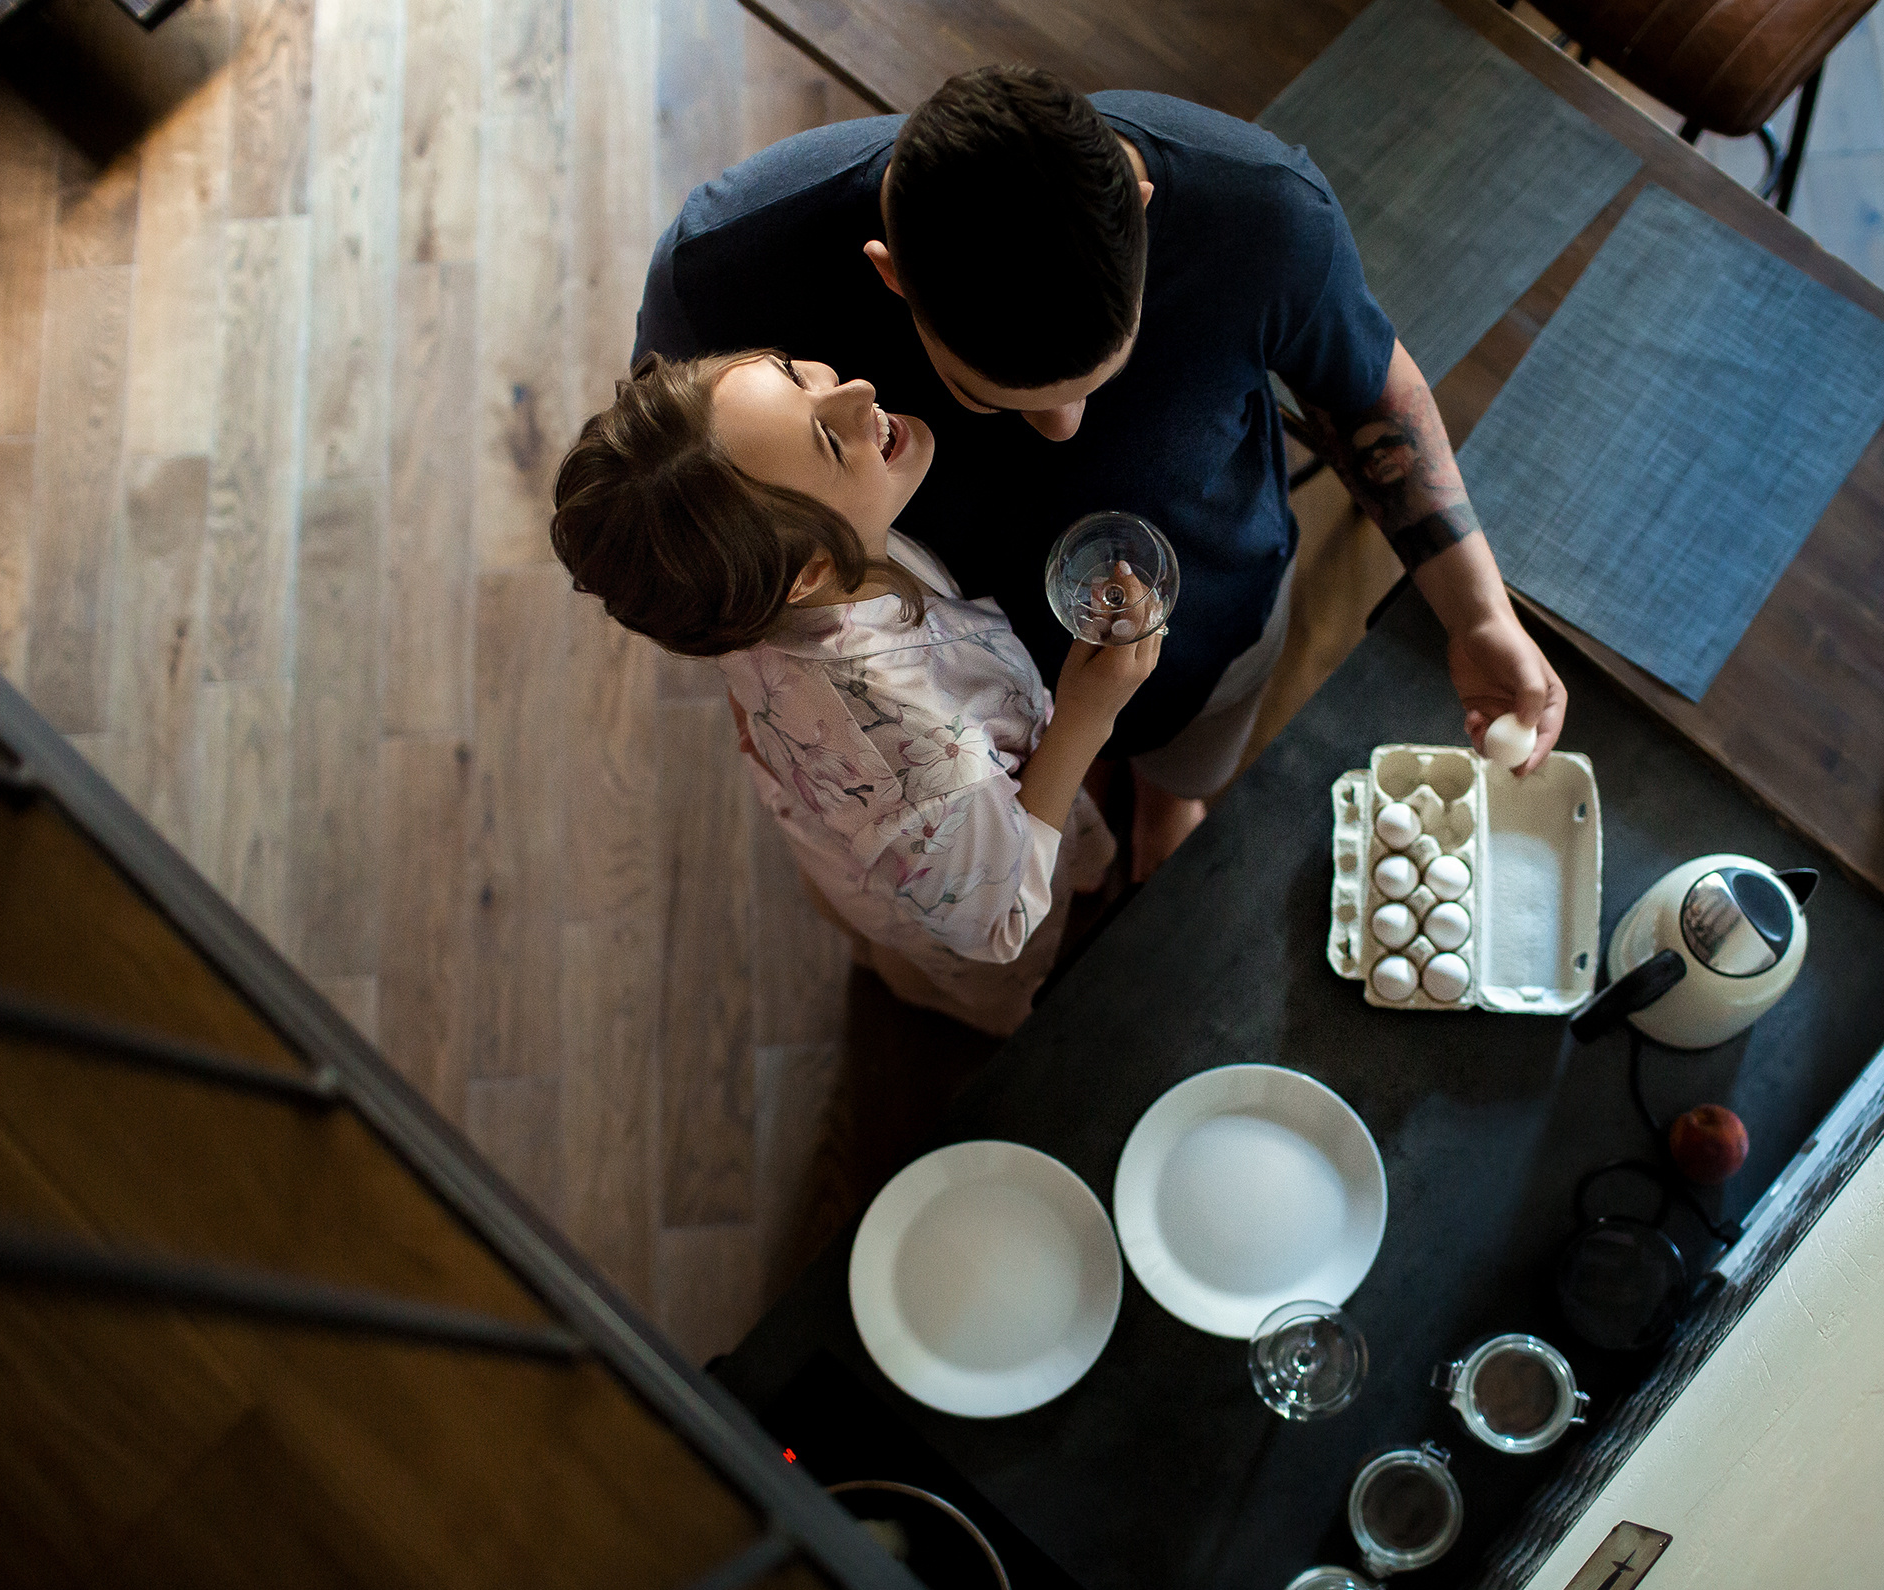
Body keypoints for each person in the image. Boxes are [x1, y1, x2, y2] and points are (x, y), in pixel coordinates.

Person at [634, 66, 1567, 879]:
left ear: (1142, 201)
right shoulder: (722, 272)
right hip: (950, 701)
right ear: (893, 276)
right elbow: (690, 508)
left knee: (1193, 750)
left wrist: (1478, 611)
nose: (1063, 429)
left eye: (1097, 380)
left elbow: (1364, 396)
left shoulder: (1264, 212)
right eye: (990, 395)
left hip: (1211, 614)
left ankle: (1166, 811)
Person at [550, 350, 1159, 1036]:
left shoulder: (742, 598)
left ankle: (881, 954)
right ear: (809, 572)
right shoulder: (922, 758)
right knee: (989, 983)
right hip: (965, 878)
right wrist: (1087, 715)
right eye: (830, 440)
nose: (858, 387)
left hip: (863, 834)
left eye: (791, 371)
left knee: (876, 918)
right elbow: (998, 915)